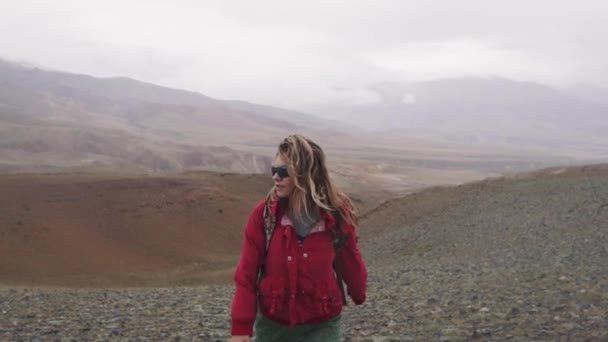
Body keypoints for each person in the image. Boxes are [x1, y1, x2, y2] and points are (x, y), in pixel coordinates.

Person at [229, 134, 368, 342]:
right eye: (274, 170)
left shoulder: (337, 216)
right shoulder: (264, 216)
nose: (276, 177)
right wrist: (241, 329)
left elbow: (351, 261)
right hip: (272, 327)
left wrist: (358, 293)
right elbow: (246, 276)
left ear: (305, 175)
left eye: (283, 171)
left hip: (322, 325)